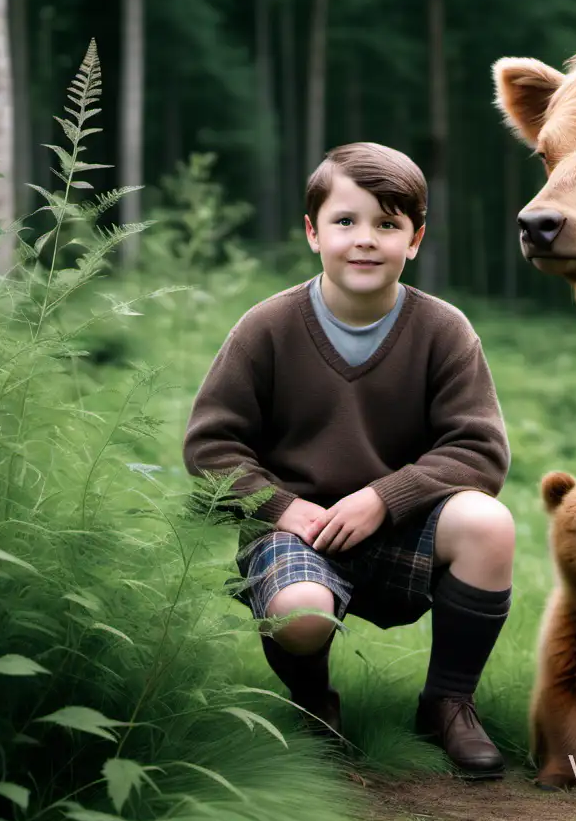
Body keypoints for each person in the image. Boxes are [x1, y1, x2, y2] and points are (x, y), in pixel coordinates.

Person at [182, 142, 515, 778]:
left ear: (415, 239)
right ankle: (314, 706)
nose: (365, 240)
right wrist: (284, 508)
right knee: (300, 611)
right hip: (297, 531)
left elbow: (479, 449)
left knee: (488, 523)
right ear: (313, 232)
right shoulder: (268, 327)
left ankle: (448, 704)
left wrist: (384, 498)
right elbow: (211, 447)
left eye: (388, 224)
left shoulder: (443, 330)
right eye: (345, 221)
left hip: (398, 528)